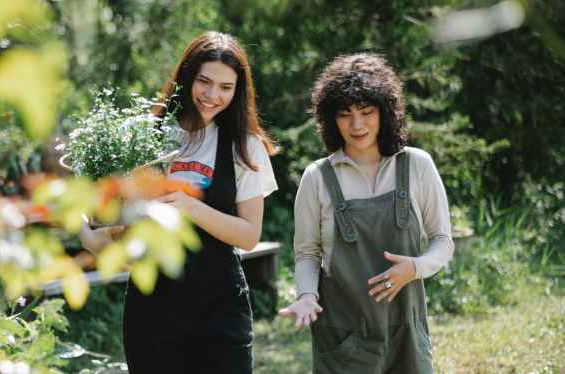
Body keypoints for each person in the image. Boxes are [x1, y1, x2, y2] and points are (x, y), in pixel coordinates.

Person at [80, 31, 277, 373]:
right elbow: (97, 226)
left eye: (226, 87)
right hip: (152, 307)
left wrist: (190, 207)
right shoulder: (141, 136)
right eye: (204, 82)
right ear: (186, 77)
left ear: (238, 91)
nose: (213, 95)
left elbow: (248, 235)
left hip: (220, 307)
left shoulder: (244, 146)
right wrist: (99, 231)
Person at [278, 53, 454, 373]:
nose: (356, 125)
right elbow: (307, 253)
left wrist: (414, 268)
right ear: (330, 119)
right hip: (343, 336)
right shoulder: (316, 177)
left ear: (386, 112)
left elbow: (443, 241)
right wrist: (306, 295)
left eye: (366, 112)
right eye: (345, 115)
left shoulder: (417, 165)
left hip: (407, 333)